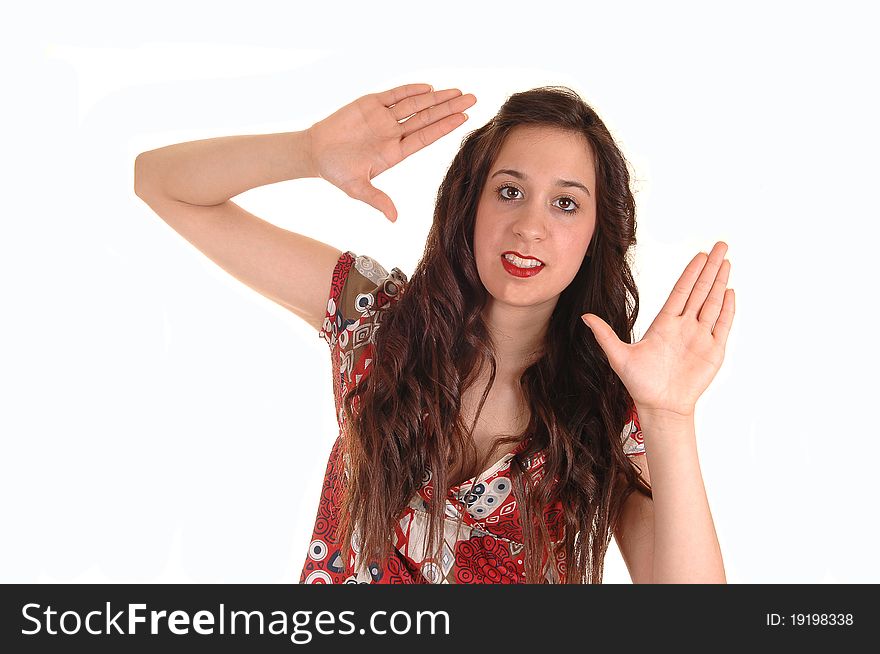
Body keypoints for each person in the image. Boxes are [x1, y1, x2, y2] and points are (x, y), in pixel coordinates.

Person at [134, 82, 735, 584]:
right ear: (470, 202)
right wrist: (306, 151)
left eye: (566, 204)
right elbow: (158, 181)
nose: (530, 227)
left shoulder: (606, 412)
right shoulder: (375, 320)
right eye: (510, 191)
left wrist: (669, 418)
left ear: (596, 235)